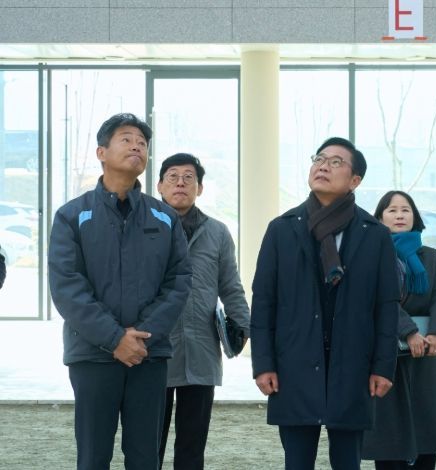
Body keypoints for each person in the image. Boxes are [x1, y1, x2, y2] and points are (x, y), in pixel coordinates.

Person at [48, 113, 192, 470]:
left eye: (142, 143)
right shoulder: (72, 216)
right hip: (92, 356)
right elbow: (67, 286)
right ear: (102, 152)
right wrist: (114, 339)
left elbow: (179, 280)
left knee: (145, 457)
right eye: (126, 139)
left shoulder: (164, 218)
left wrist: (140, 337)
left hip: (148, 355)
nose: (137, 147)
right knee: (93, 456)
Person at [250, 137, 400, 470]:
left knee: (347, 462)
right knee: (297, 462)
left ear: (354, 180)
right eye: (319, 159)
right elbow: (263, 302)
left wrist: (382, 366)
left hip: (353, 367)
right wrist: (263, 363)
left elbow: (387, 306)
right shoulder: (281, 230)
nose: (323, 167)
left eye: (335, 162)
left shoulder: (374, 234)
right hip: (293, 365)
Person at [156, 153, 250, 469]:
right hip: (154, 349)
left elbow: (231, 285)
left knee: (192, 445)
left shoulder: (218, 232)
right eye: (172, 176)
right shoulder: (145, 228)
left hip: (201, 349)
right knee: (148, 443)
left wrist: (243, 326)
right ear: (159, 186)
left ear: (200, 188)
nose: (180, 183)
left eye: (189, 178)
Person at [362, 190, 436, 470]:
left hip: (427, 352)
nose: (399, 215)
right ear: (380, 218)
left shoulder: (430, 256)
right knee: (389, 435)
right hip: (386, 352)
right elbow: (376, 299)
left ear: (415, 217)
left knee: (427, 429)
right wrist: (408, 331)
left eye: (405, 210)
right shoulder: (370, 255)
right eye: (392, 210)